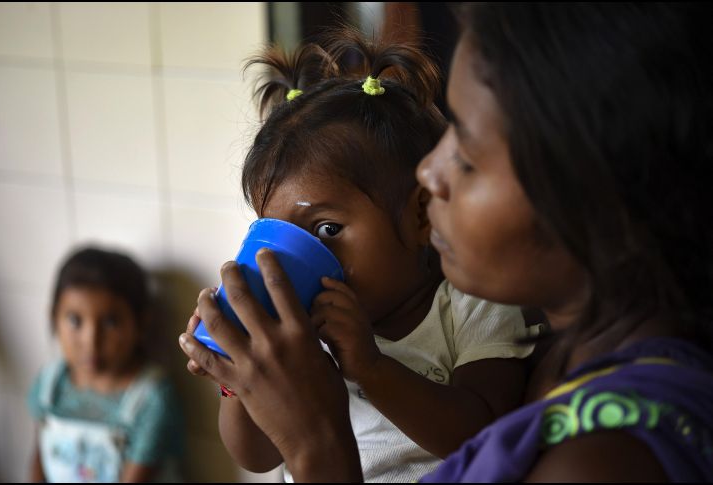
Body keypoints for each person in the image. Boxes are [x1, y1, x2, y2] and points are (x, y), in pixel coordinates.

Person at [178, 2, 713, 482]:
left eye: (469, 154)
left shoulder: (606, 458)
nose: (429, 174)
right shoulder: (573, 362)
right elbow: (254, 453)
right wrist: (240, 372)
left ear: (589, 187)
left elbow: (473, 429)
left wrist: (318, 446)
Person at [189, 30, 541, 482]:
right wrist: (236, 372)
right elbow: (257, 456)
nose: (301, 260)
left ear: (420, 215)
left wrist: (371, 368)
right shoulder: (302, 331)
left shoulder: (472, 303)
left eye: (328, 230)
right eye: (277, 237)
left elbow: (484, 436)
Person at [28, 247, 184, 482]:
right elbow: (38, 460)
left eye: (111, 322)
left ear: (141, 324)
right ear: (53, 318)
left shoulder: (150, 400)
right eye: (74, 320)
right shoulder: (50, 385)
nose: (91, 341)